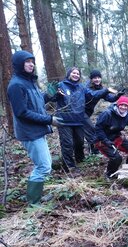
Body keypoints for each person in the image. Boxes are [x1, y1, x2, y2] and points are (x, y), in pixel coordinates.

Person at [7, 50, 63, 204]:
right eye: (27, 61)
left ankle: (36, 197)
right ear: (19, 64)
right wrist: (49, 119)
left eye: (32, 61)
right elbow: (22, 112)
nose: (31, 64)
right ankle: (33, 203)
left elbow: (36, 102)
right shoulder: (16, 85)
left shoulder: (29, 82)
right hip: (29, 132)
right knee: (43, 167)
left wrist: (50, 95)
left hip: (37, 130)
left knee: (45, 165)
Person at [53, 67, 114, 173]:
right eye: (74, 73)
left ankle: (80, 160)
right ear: (68, 74)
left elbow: (93, 94)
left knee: (80, 142)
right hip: (64, 120)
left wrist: (108, 92)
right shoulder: (61, 85)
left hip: (78, 119)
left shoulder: (81, 87)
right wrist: (54, 94)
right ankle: (69, 166)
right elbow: (51, 97)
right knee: (68, 143)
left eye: (78, 74)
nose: (76, 75)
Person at [83, 69, 124, 154]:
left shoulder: (100, 88)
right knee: (91, 130)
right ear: (91, 79)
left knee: (84, 132)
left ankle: (90, 151)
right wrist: (106, 90)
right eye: (94, 78)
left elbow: (110, 98)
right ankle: (94, 151)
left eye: (98, 77)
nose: (97, 79)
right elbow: (93, 95)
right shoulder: (86, 87)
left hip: (87, 113)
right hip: (80, 112)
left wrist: (117, 95)